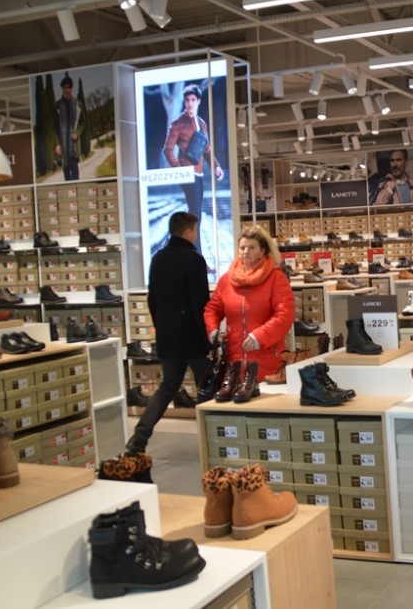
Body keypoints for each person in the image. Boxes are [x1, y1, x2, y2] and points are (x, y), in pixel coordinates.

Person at [126, 212, 210, 454]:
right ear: (189, 231)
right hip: (193, 336)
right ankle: (209, 439)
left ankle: (139, 438)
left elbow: (152, 300)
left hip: (167, 336)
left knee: (167, 387)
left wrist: (161, 327)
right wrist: (208, 338)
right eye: (195, 230)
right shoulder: (194, 260)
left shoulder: (158, 258)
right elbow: (200, 303)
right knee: (205, 387)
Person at [204, 226, 294, 383]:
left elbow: (285, 314)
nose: (245, 251)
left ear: (262, 251)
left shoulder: (276, 278)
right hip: (234, 363)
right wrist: (213, 330)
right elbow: (213, 309)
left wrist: (259, 337)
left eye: (251, 248)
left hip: (267, 361)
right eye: (242, 248)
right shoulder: (227, 280)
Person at [163, 84, 225, 252]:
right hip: (187, 174)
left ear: (198, 101)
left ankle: (173, 243)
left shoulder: (201, 123)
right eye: (187, 100)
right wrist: (179, 169)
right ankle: (196, 253)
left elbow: (206, 149)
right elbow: (167, 149)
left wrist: (216, 166)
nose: (189, 103)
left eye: (192, 100)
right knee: (195, 215)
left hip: (198, 174)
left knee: (195, 215)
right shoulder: (178, 123)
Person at [53, 73, 84, 181]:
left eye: (68, 88)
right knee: (66, 176)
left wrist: (77, 133)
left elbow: (82, 122)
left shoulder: (77, 104)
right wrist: (57, 144)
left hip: (73, 146)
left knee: (75, 175)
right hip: (63, 147)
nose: (66, 90)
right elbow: (54, 127)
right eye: (64, 88)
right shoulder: (57, 106)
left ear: (71, 89)